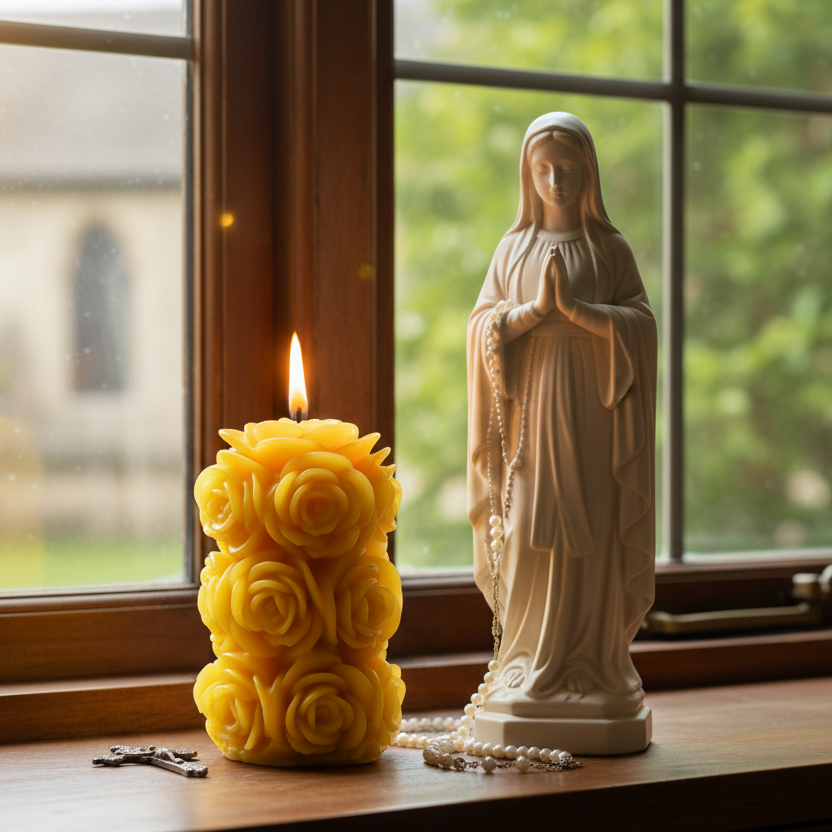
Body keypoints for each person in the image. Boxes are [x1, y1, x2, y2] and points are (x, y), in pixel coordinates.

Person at [467, 112, 657, 714]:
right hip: (530, 414)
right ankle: (526, 659)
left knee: (591, 530)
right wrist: (527, 315)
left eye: (568, 169)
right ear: (527, 173)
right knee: (529, 524)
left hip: (594, 414)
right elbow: (480, 328)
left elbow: (642, 327)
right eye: (543, 169)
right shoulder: (513, 247)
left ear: (588, 173)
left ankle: (593, 661)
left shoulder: (610, 248)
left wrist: (579, 313)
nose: (555, 180)